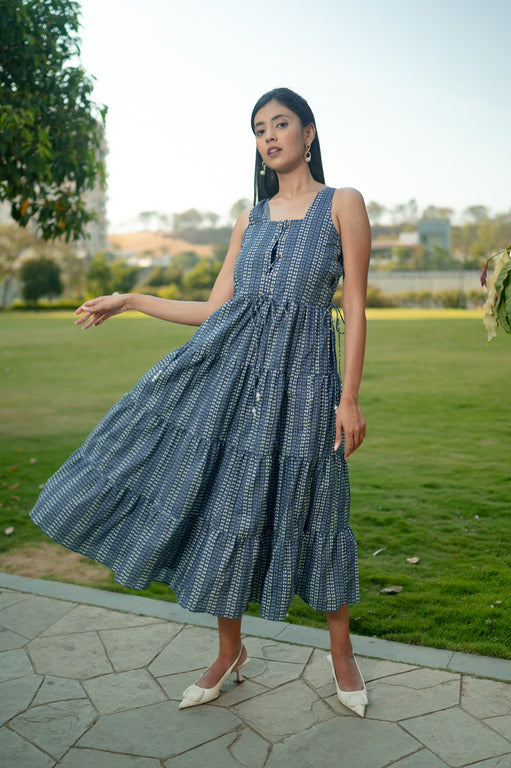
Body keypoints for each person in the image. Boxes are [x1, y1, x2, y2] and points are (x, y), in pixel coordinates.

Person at [30, 87, 371, 716]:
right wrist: (130, 299)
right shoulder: (251, 218)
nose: (269, 137)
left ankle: (342, 655)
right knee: (227, 504)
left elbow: (352, 307)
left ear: (309, 133)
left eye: (281, 124)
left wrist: (347, 398)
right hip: (232, 386)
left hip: (306, 388)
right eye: (259, 129)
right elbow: (215, 310)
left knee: (317, 503)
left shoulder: (342, 204)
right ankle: (228, 651)